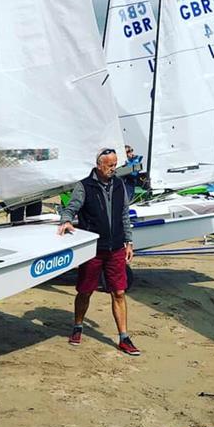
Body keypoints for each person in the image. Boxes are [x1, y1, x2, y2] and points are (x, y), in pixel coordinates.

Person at [57, 148, 140, 355]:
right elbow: (70, 208)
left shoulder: (119, 184)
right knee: (85, 291)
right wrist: (66, 221)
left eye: (115, 164)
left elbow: (124, 215)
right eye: (110, 165)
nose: (114, 168)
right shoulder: (85, 186)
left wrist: (129, 242)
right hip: (93, 248)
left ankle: (124, 337)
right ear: (99, 165)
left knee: (119, 292)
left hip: (116, 248)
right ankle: (78, 326)